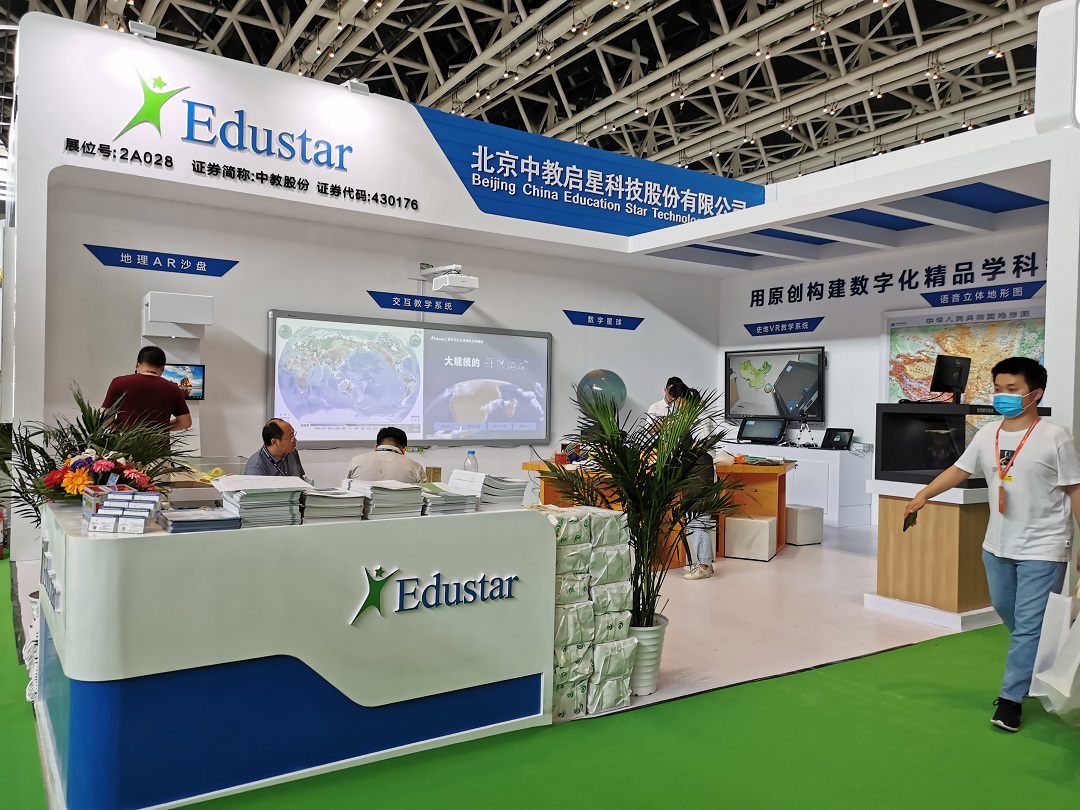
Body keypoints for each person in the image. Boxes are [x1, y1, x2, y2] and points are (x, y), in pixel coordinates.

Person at [903, 357, 1080, 733]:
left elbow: (1075, 490)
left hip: (1045, 546)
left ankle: (1011, 700)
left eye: (1012, 389)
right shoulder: (987, 434)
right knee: (1008, 610)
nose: (1002, 396)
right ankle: (1047, 659)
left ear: (1035, 394)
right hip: (997, 546)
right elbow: (960, 469)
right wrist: (924, 494)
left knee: (1028, 626)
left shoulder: (1056, 437)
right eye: (998, 389)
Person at [668, 385, 719, 582]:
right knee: (695, 520)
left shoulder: (699, 418)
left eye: (677, 400)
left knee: (698, 520)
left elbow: (701, 444)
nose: (674, 404)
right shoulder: (687, 418)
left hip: (700, 473)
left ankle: (704, 566)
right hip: (693, 473)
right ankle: (706, 563)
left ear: (685, 400)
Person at [102, 345, 192, 431]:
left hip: (126, 441)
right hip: (158, 442)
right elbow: (185, 423)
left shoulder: (119, 382)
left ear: (137, 364)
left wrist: (116, 431)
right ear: (162, 368)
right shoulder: (173, 388)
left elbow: (105, 415)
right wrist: (161, 429)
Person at [347, 427, 426, 484]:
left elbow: (345, 490)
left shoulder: (356, 461)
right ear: (404, 449)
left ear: (376, 447)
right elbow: (426, 494)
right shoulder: (415, 466)